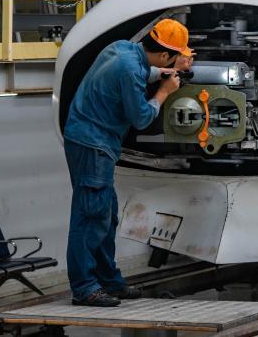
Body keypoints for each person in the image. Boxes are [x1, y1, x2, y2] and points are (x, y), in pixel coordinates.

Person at [62, 19, 192, 307]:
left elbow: (139, 70)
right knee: (91, 216)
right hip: (93, 145)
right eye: (175, 57)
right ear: (164, 54)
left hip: (92, 140)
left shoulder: (121, 48)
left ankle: (108, 281)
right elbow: (141, 118)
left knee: (106, 216)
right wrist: (164, 92)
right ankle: (84, 288)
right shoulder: (130, 70)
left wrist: (163, 73)